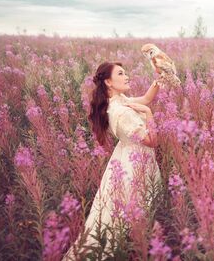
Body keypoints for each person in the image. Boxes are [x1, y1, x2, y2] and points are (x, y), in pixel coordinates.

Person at [62, 61, 161, 260]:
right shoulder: (120, 112)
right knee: (128, 220)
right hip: (134, 166)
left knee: (127, 218)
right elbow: (152, 141)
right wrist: (149, 115)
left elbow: (146, 98)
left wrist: (160, 75)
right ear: (108, 81)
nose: (127, 76)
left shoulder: (118, 100)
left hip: (129, 158)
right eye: (121, 74)